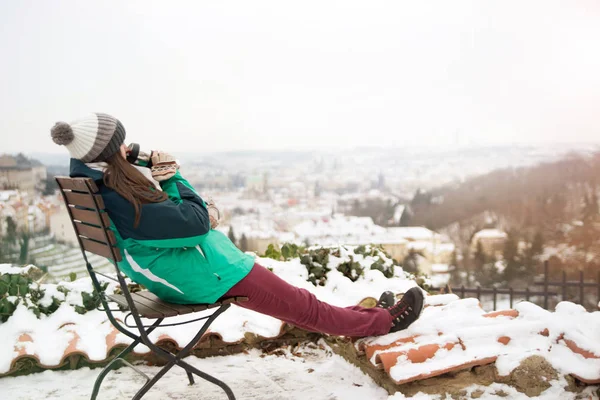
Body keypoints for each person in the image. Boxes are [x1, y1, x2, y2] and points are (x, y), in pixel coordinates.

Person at [50, 113, 424, 337]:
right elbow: (195, 224)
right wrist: (173, 178)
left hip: (188, 267)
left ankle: (364, 315)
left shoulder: (98, 182)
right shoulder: (118, 194)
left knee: (299, 299)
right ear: (111, 152)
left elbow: (177, 223)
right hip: (200, 275)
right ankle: (382, 324)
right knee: (303, 306)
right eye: (121, 143)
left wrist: (153, 172)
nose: (128, 146)